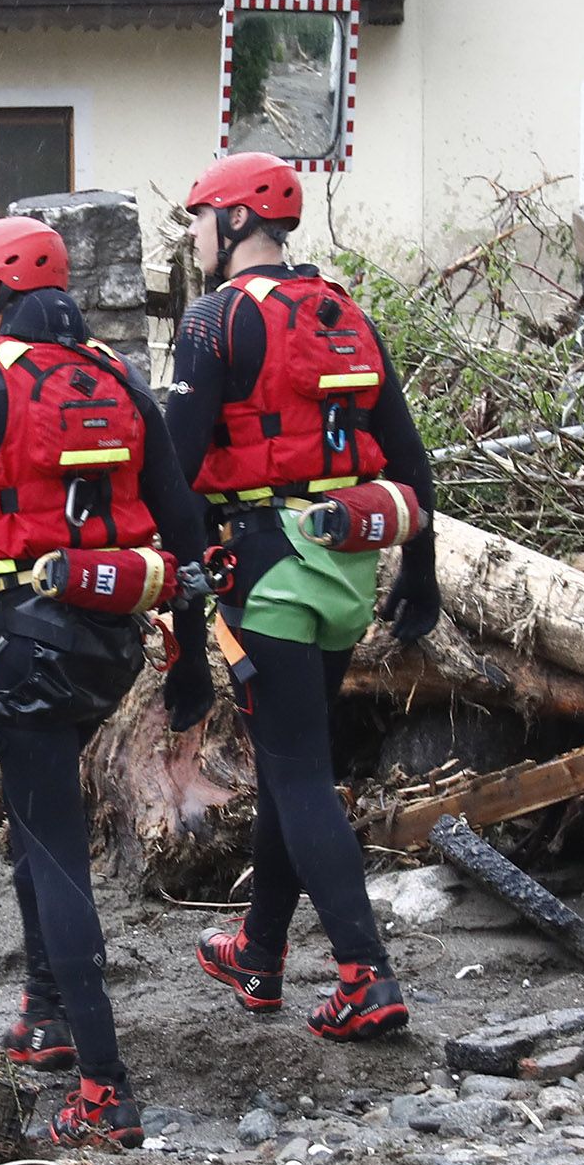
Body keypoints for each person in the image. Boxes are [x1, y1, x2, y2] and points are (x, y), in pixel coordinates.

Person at [0, 215, 213, 1149]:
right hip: (111, 642)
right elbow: (184, 529)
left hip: (30, 642)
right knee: (36, 836)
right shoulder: (116, 378)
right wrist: (189, 654)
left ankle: (104, 1090)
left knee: (55, 850)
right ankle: (45, 1014)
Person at [166, 150, 439, 1044]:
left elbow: (175, 467)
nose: (195, 238)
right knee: (293, 762)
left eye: (199, 220)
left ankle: (367, 975)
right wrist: (421, 573)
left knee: (297, 772)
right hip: (347, 571)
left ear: (237, 221)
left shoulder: (212, 323)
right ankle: (261, 949)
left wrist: (176, 594)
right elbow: (408, 458)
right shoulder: (344, 313)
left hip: (267, 568)